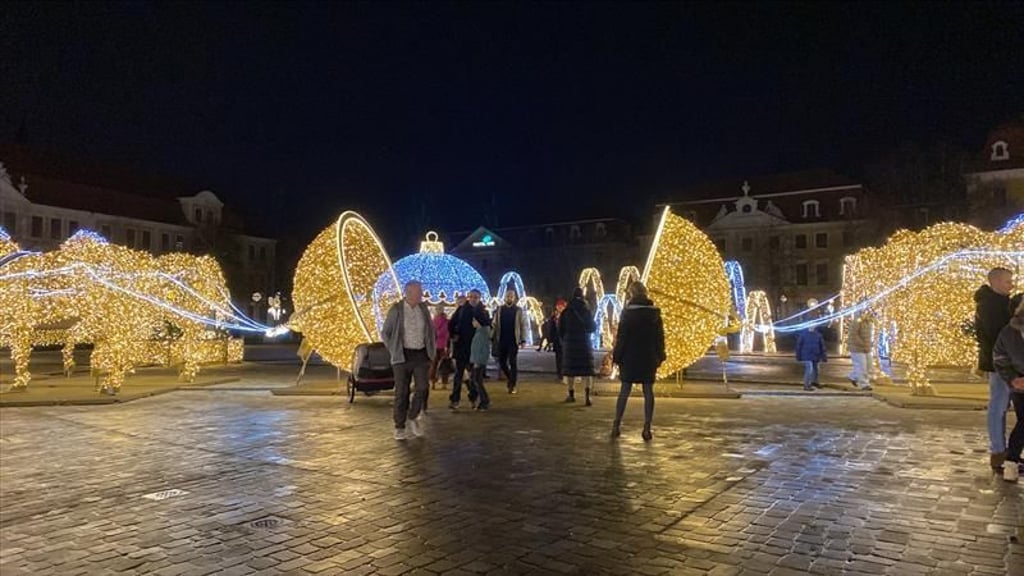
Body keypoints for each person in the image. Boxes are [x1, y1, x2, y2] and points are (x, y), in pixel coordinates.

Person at [975, 267, 1021, 472]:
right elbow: (999, 337)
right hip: (1000, 365)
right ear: (995, 282)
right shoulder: (991, 305)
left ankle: (1008, 453)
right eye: (1007, 281)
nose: (1011, 284)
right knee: (999, 406)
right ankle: (999, 452)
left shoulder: (1002, 303)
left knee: (1004, 406)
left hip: (1007, 363)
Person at [380, 280, 436, 441]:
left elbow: (430, 330)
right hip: (402, 356)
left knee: (423, 387)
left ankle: (413, 416)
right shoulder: (397, 309)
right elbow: (386, 333)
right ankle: (399, 426)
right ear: (408, 293)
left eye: (421, 291)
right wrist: (394, 349)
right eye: (418, 292)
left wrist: (431, 349)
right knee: (402, 391)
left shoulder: (423, 309)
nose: (421, 294)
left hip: (420, 355)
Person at [611, 281, 665, 442]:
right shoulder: (655, 314)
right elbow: (659, 338)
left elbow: (622, 338)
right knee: (648, 391)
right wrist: (660, 356)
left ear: (631, 294)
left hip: (629, 357)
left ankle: (616, 425)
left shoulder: (627, 314)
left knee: (624, 390)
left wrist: (617, 356)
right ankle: (647, 427)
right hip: (648, 357)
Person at [993, 299, 1024, 482]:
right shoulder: (1009, 332)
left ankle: (1011, 462)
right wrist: (1012, 378)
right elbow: (1000, 357)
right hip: (1019, 384)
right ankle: (1011, 462)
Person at [448, 290, 488, 409]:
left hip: (475, 348)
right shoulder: (461, 310)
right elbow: (451, 323)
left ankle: (474, 395)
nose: (473, 299)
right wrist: (453, 334)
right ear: (468, 298)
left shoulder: (483, 312)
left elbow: (487, 328)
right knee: (459, 375)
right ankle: (455, 399)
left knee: (474, 376)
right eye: (471, 297)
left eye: (476, 297)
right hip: (461, 346)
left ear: (479, 298)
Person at [559, 287, 597, 405]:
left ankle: (571, 394)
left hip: (570, 343)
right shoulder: (586, 310)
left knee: (571, 370)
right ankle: (587, 397)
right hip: (584, 342)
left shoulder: (567, 311)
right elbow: (592, 327)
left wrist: (564, 340)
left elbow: (561, 328)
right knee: (587, 370)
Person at [493, 289, 525, 394]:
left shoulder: (518, 310)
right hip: (502, 339)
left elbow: (522, 325)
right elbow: (495, 323)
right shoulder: (500, 309)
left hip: (513, 340)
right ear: (505, 297)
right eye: (507, 296)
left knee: (513, 362)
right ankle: (511, 378)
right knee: (502, 362)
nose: (509, 298)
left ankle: (513, 384)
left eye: (511, 296)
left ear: (514, 298)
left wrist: (523, 339)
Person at [470, 308, 494, 411]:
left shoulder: (481, 334)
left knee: (477, 381)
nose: (472, 322)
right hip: (477, 360)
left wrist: (477, 361)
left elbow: (482, 349)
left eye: (474, 320)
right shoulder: (480, 332)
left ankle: (484, 401)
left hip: (478, 362)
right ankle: (482, 400)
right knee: (476, 381)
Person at [846, 310, 875, 391]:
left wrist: (869, 344)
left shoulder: (869, 322)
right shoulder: (857, 321)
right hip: (857, 348)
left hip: (866, 347)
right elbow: (853, 334)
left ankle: (853, 376)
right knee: (862, 366)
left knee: (869, 366)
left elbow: (869, 335)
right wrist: (861, 343)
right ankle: (864, 384)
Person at [796, 326, 827, 391]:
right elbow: (799, 345)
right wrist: (798, 355)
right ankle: (806, 385)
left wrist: (823, 356)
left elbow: (822, 346)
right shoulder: (804, 335)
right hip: (807, 355)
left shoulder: (818, 335)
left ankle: (815, 382)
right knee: (809, 369)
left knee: (816, 369)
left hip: (815, 354)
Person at [429, 304, 450, 390]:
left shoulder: (433, 321)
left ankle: (432, 382)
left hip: (435, 345)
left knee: (433, 364)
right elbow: (447, 333)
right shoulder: (446, 321)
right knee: (444, 365)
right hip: (444, 345)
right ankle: (444, 382)